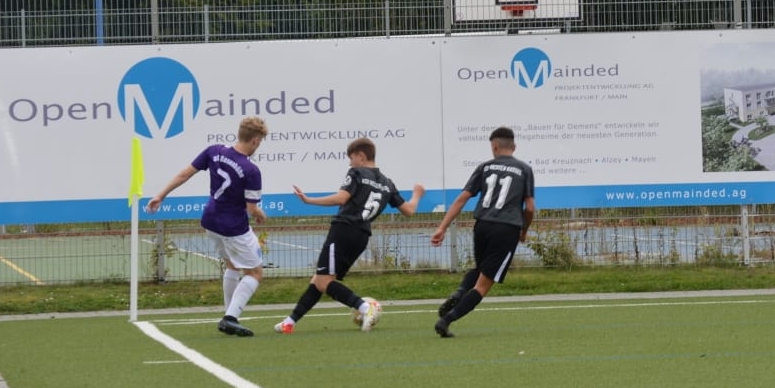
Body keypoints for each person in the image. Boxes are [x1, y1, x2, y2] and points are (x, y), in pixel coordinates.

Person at [274, 137, 423, 333]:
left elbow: (342, 197)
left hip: (343, 230)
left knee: (324, 281)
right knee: (319, 280)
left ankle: (365, 307)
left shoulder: (357, 173)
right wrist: (417, 194)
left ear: (361, 156)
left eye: (351, 158)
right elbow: (409, 210)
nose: (350, 163)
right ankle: (289, 322)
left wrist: (309, 200)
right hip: (361, 237)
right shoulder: (388, 183)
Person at [148, 116, 269, 336]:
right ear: (255, 140)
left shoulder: (214, 151)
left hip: (211, 221)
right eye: (260, 141)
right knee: (255, 273)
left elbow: (185, 173)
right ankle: (230, 318)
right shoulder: (251, 170)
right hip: (233, 227)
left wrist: (160, 195)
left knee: (232, 265)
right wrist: (261, 215)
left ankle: (229, 315)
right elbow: (252, 208)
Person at [429, 126, 536, 337]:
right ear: (514, 147)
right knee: (483, 285)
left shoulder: (485, 167)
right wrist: (523, 231)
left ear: (494, 147)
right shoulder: (524, 169)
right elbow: (530, 207)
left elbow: (462, 198)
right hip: (507, 228)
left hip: (482, 225)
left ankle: (459, 293)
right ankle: (446, 320)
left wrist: (442, 228)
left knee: (480, 268)